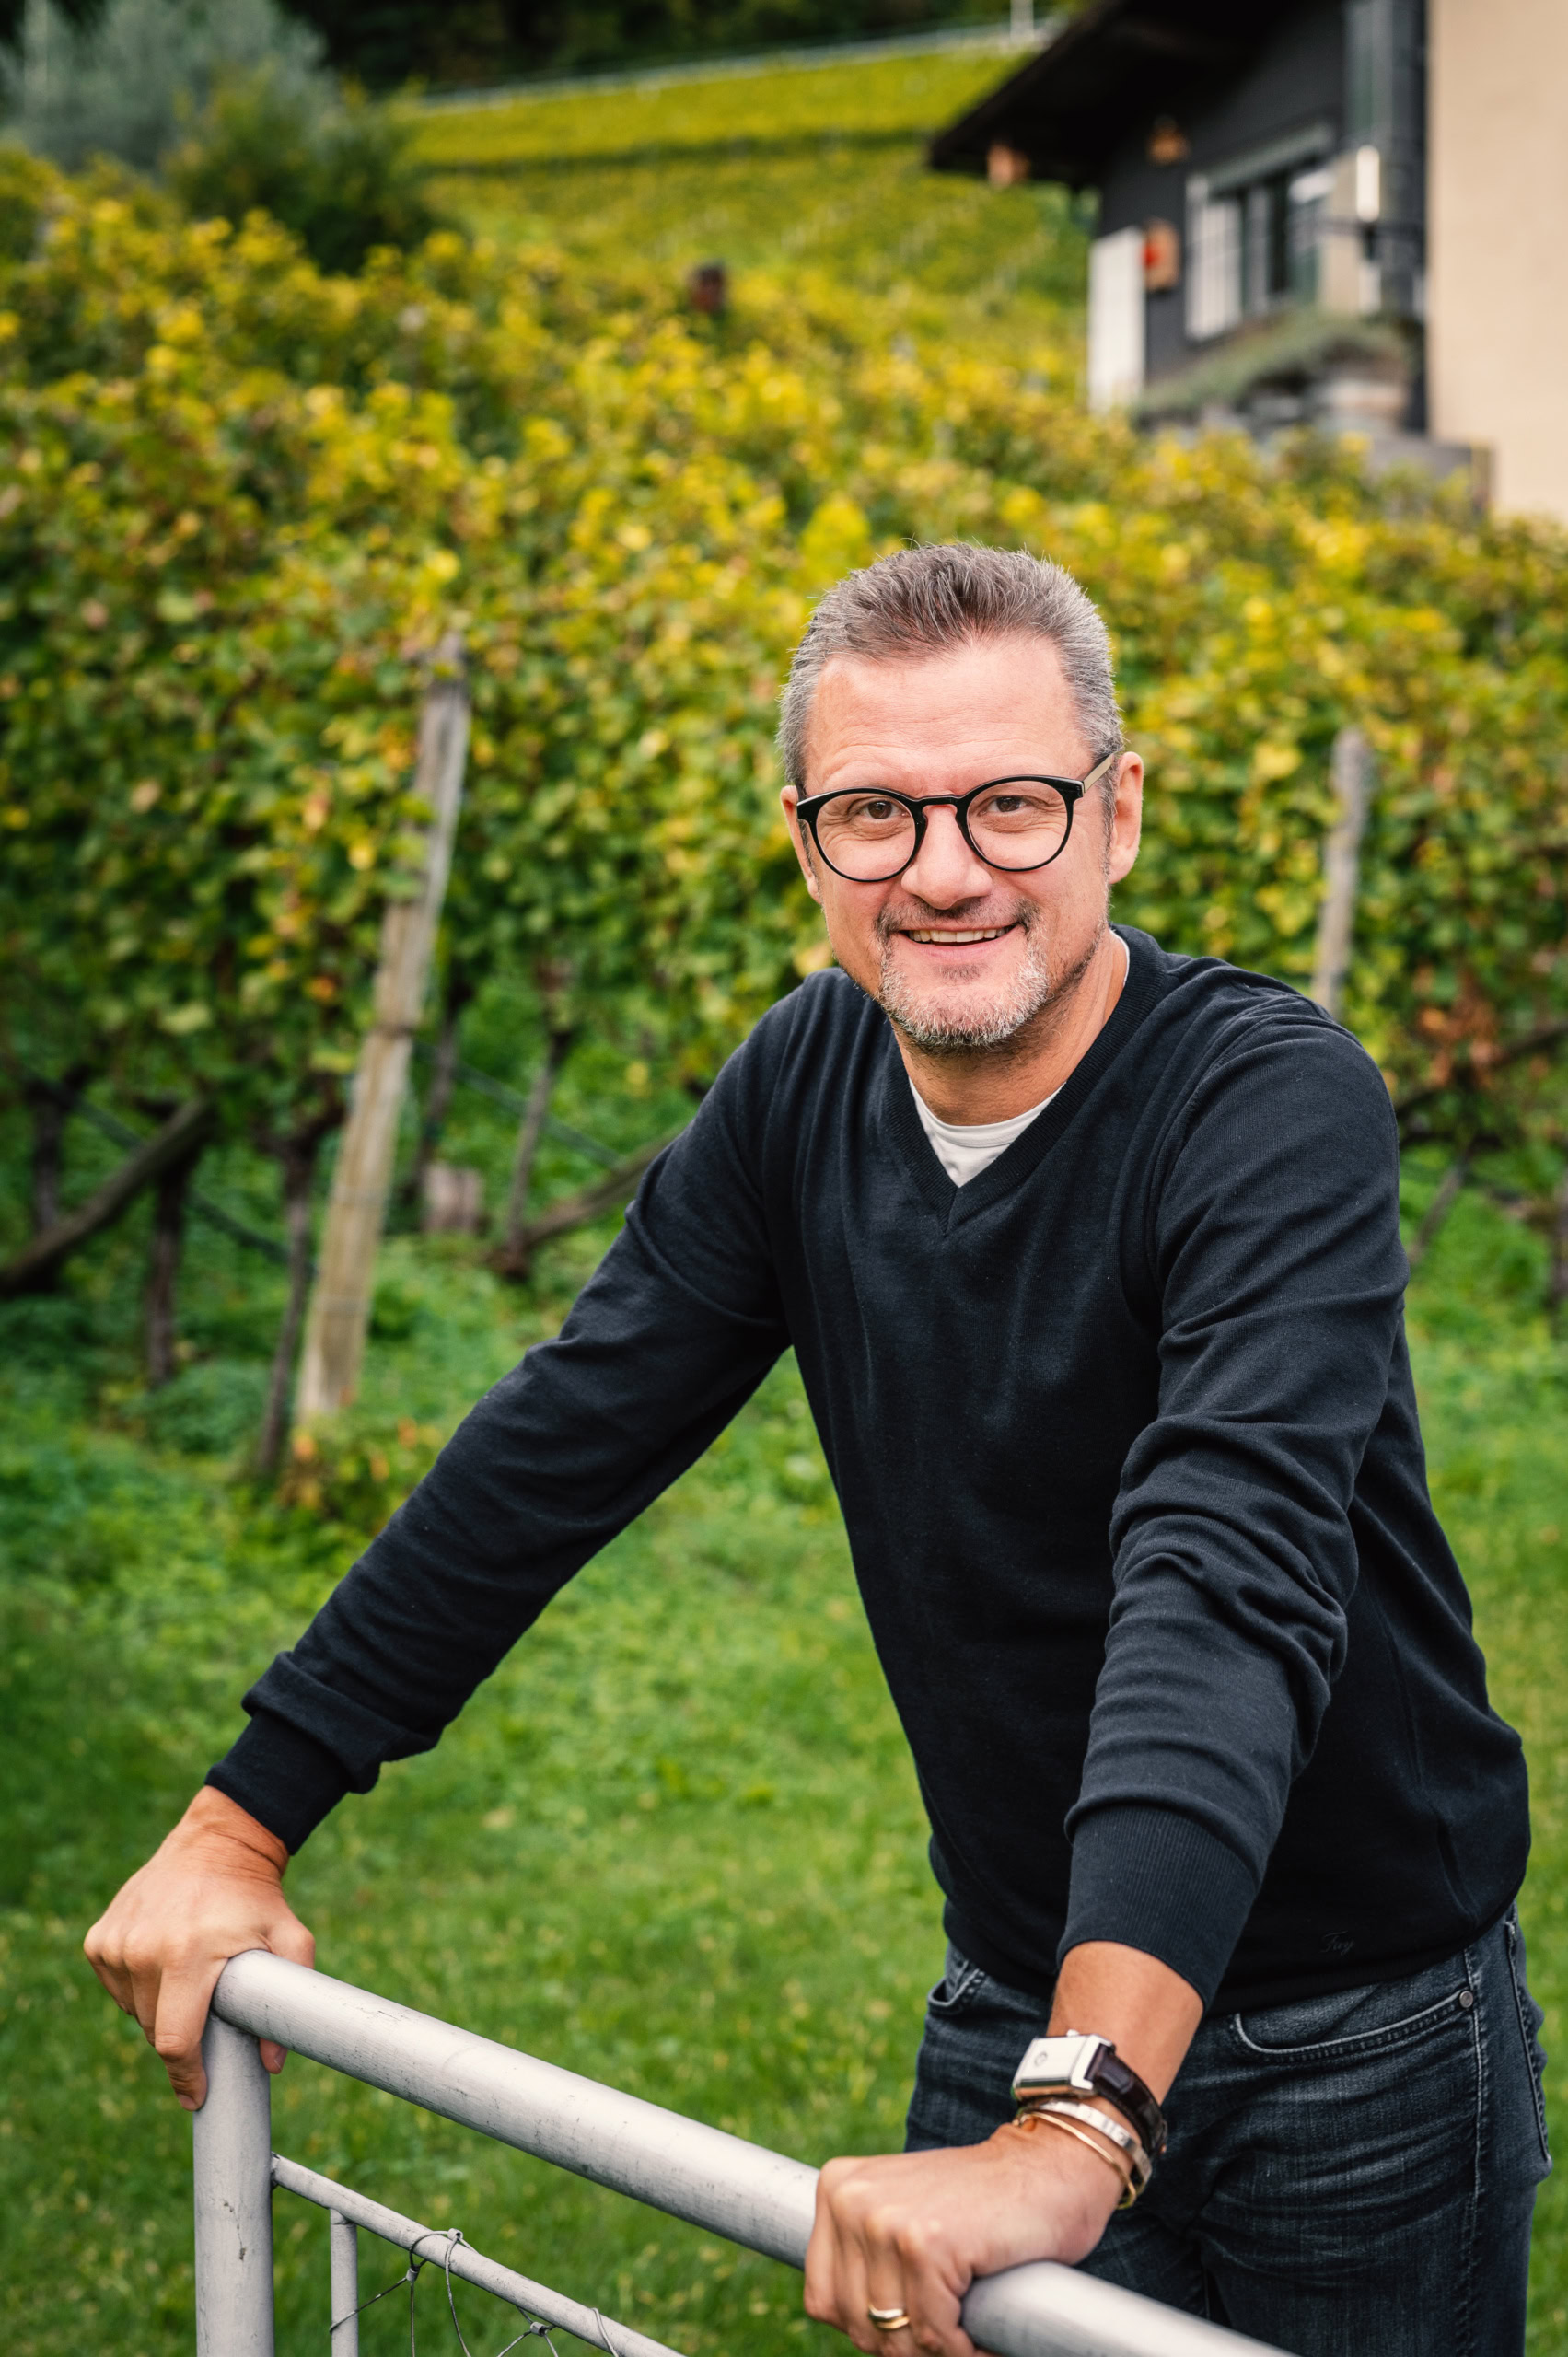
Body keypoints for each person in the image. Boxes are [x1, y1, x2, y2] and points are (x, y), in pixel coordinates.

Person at [87, 544, 1546, 2357]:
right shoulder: (801, 1086)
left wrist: (1077, 2119)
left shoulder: (1257, 1103)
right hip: (1014, 1979)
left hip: (1356, 2024)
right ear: (804, 843)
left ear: (1118, 812)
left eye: (1007, 803)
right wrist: (239, 1821)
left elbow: (1219, 1575)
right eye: (874, 812)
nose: (940, 871)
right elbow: (562, 1433)